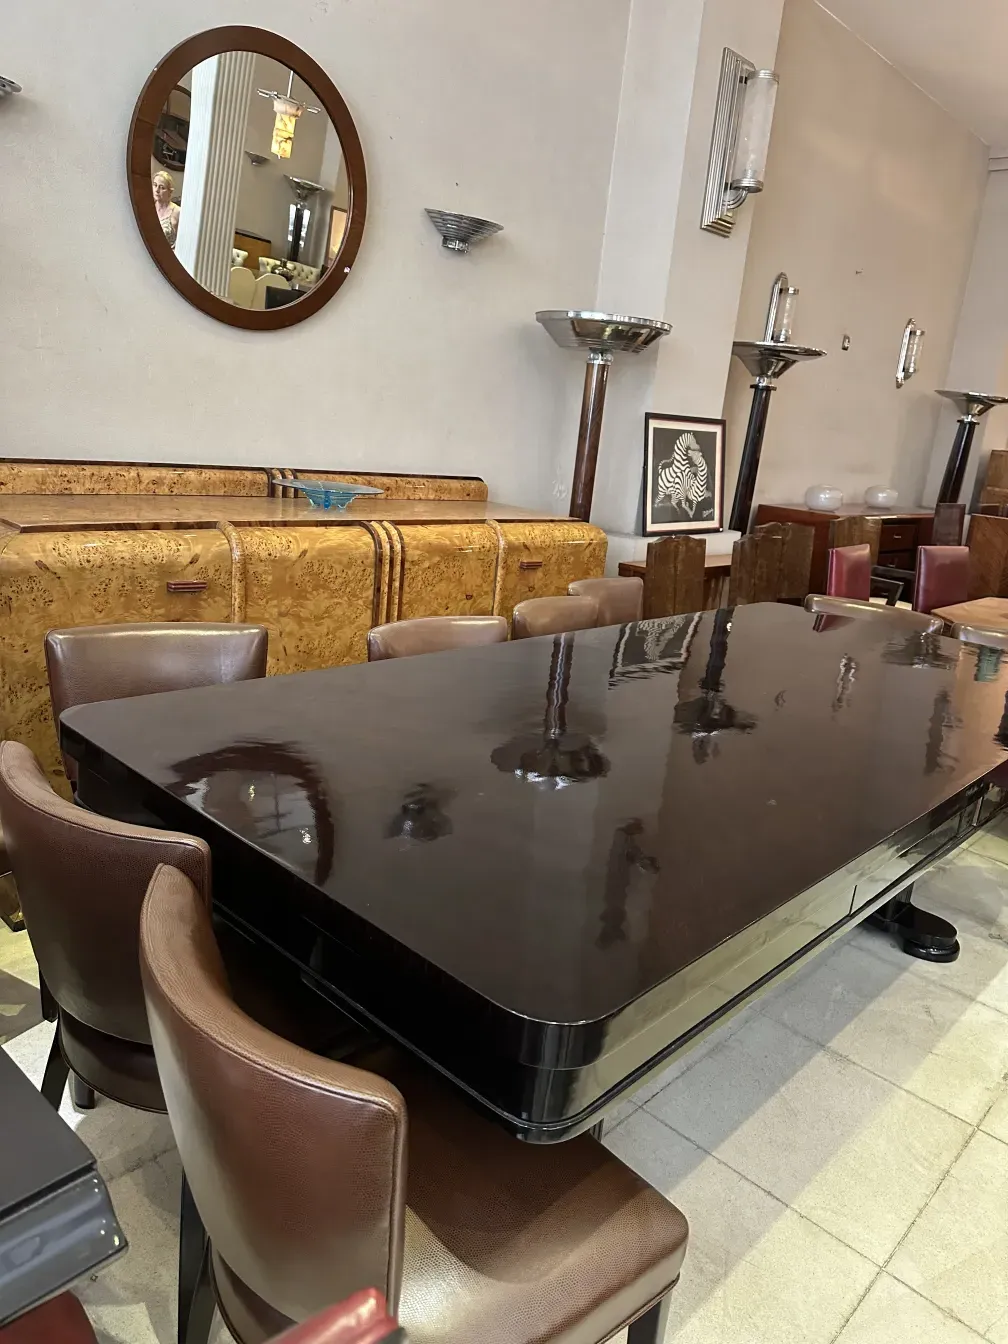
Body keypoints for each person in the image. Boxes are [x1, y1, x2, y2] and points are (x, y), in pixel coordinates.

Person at [152, 170, 181, 249]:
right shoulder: (149, 208)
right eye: (155, 185)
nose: (157, 190)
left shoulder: (177, 212)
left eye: (162, 188)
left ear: (170, 191)